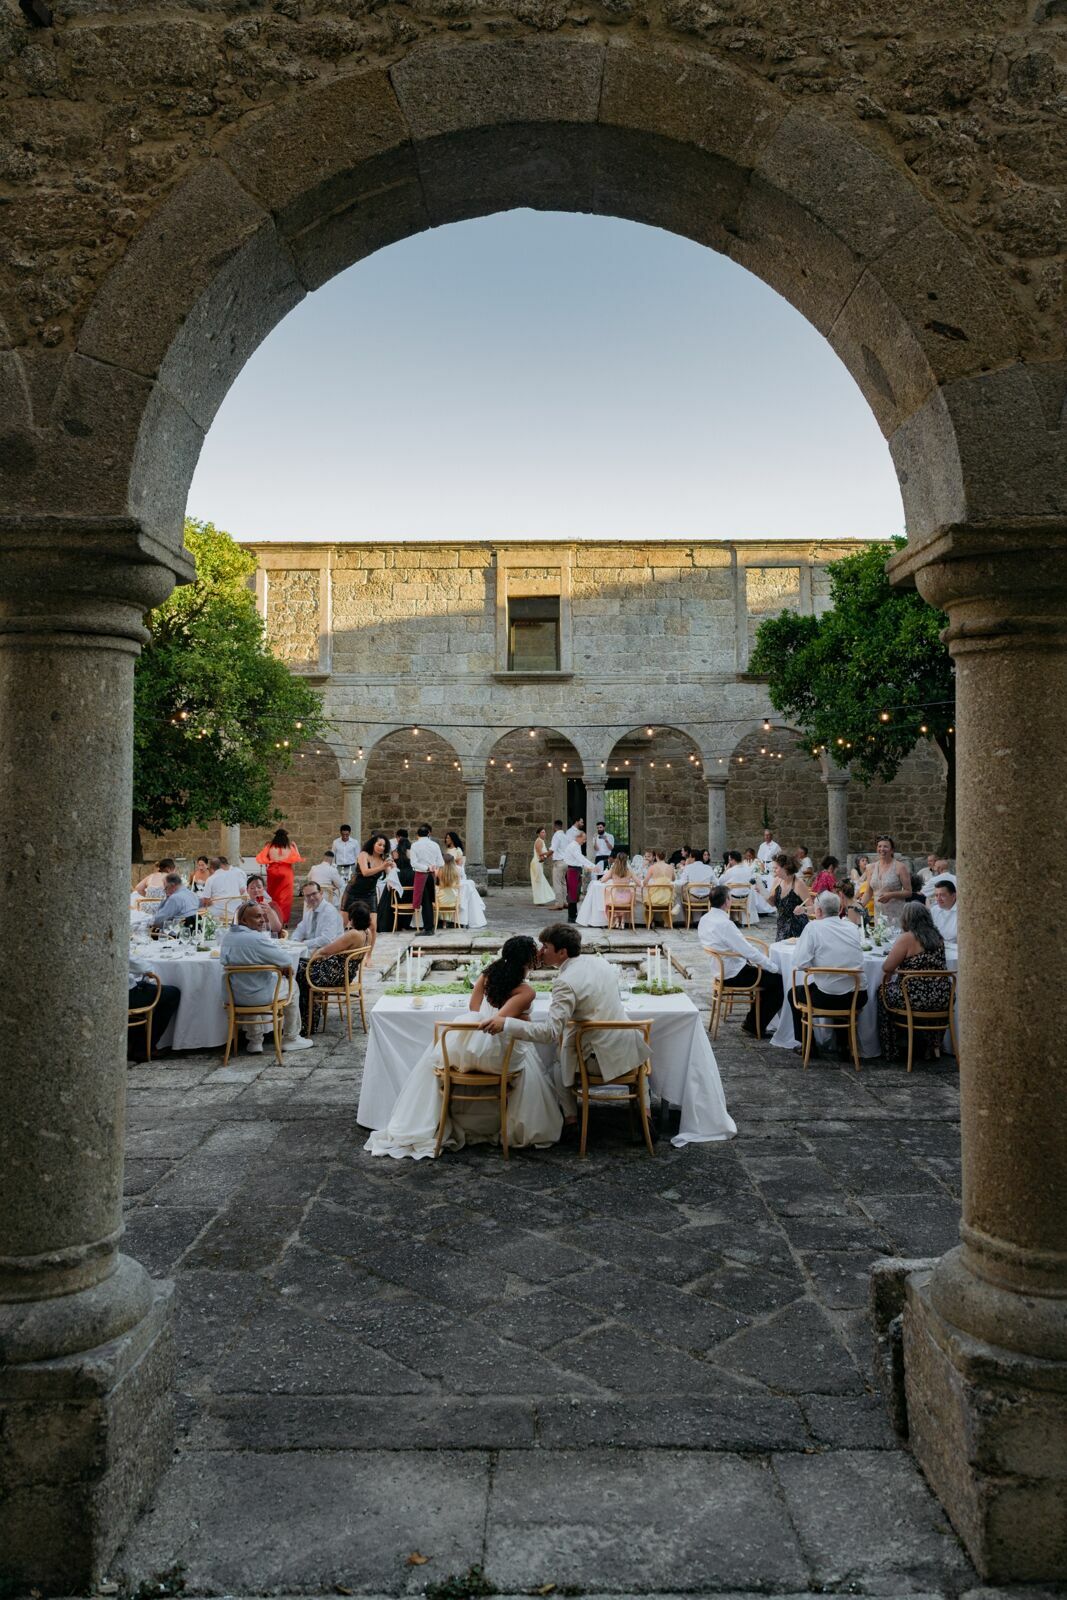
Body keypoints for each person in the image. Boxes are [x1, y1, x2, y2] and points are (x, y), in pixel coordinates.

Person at [367, 936, 563, 1158]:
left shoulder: (489, 973)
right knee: (528, 1061)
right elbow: (498, 1021)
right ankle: (511, 1124)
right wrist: (524, 1017)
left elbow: (474, 1007)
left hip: (466, 1051)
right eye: (534, 952)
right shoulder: (526, 991)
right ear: (526, 960)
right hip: (497, 1054)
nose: (539, 953)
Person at [480, 923, 650, 1125]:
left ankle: (571, 1120)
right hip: (631, 1049)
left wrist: (506, 1023)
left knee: (558, 1061)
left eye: (545, 947)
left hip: (599, 1059)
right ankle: (646, 1113)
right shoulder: (601, 964)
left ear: (562, 952)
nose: (540, 952)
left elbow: (549, 1032)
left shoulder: (566, 981)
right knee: (566, 1045)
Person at [220, 901, 313, 1055]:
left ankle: (255, 1041)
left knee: (251, 980)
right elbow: (286, 960)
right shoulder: (256, 939)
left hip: (234, 996)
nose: (263, 919)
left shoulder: (227, 937)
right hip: (258, 995)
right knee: (293, 985)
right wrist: (278, 967)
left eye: (262, 916)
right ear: (243, 921)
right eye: (257, 917)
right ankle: (291, 1038)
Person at [698, 885, 784, 1035]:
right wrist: (772, 966)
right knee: (777, 981)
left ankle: (754, 1021)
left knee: (766, 976)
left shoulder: (705, 919)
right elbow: (748, 951)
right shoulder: (725, 924)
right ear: (727, 901)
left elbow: (739, 946)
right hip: (733, 974)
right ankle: (753, 1025)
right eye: (730, 897)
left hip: (720, 970)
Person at [787, 890, 866, 1045]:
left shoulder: (814, 927)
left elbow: (800, 962)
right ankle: (843, 1046)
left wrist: (816, 963)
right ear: (840, 909)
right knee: (836, 985)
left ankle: (808, 1045)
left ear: (818, 911)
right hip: (857, 996)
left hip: (828, 997)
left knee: (793, 993)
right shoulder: (852, 927)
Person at [877, 900, 952, 1060]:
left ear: (906, 919)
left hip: (912, 998)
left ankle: (893, 1048)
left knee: (882, 991)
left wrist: (897, 969)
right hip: (942, 997)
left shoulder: (907, 938)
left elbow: (887, 967)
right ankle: (931, 1046)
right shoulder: (938, 937)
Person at [297, 903, 372, 1032]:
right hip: (345, 974)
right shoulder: (367, 932)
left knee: (299, 969)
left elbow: (327, 950)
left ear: (353, 918)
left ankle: (306, 1023)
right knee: (303, 965)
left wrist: (316, 954)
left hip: (335, 975)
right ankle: (309, 1021)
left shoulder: (353, 934)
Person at [342, 833, 391, 959]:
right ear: (373, 844)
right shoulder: (364, 855)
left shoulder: (383, 860)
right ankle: (344, 952)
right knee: (344, 924)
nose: (381, 847)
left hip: (369, 894)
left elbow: (390, 873)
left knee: (373, 926)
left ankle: (368, 956)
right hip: (353, 891)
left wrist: (392, 867)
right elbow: (365, 872)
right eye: (379, 844)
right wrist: (383, 866)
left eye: (384, 846)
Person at [127, 953, 180, 1060]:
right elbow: (140, 966)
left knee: (147, 986)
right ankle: (144, 1047)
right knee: (173, 994)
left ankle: (133, 1040)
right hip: (127, 995)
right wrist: (150, 968)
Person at [255, 828, 303, 927]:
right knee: (285, 898)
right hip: (286, 871)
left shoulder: (270, 846)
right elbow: (297, 858)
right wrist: (296, 847)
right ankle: (283, 921)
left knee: (273, 895)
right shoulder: (289, 847)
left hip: (273, 871)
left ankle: (273, 918)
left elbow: (263, 858)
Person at [868, 835, 912, 926]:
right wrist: (859, 905)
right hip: (878, 914)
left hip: (895, 914)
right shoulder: (871, 867)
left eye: (885, 846)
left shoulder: (900, 867)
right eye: (879, 846)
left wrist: (891, 895)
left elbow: (908, 892)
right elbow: (869, 892)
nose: (882, 849)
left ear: (892, 850)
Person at [409, 823, 444, 934]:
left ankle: (428, 928)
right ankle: (429, 927)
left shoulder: (415, 845)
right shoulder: (435, 845)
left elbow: (413, 863)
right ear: (428, 833)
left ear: (417, 835)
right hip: (432, 875)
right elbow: (441, 862)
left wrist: (426, 867)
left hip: (421, 875)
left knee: (426, 902)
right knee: (429, 901)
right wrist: (432, 867)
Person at [770, 852, 813, 941]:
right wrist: (762, 891)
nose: (774, 870)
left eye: (776, 868)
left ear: (785, 868)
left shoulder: (799, 884)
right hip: (781, 926)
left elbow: (812, 908)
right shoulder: (777, 881)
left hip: (797, 928)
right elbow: (772, 903)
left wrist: (803, 910)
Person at [292, 878, 344, 951]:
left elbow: (326, 939)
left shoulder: (329, 911)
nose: (311, 898)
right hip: (313, 951)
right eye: (307, 895)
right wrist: (294, 941)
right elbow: (300, 930)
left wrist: (303, 944)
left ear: (321, 893)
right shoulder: (310, 911)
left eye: (314, 893)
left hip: (328, 953)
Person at [381, 843, 416, 932]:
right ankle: (405, 925)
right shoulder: (413, 871)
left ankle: (393, 924)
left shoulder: (396, 872)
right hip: (411, 901)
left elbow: (389, 887)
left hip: (397, 901)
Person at [562, 828, 595, 922]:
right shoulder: (574, 846)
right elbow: (580, 858)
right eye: (584, 839)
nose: (584, 841)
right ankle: (571, 916)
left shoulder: (576, 845)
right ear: (578, 837)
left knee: (576, 893)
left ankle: (574, 915)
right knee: (572, 893)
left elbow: (579, 859)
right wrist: (592, 866)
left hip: (575, 870)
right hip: (572, 870)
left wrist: (588, 866)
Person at [925, 875, 958, 943]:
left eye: (942, 895)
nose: (938, 899)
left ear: (954, 896)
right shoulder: (934, 910)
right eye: (936, 895)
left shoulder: (961, 912)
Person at [530, 826, 555, 906]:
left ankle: (541, 900)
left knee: (540, 881)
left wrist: (547, 855)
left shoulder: (542, 841)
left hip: (539, 863)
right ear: (538, 834)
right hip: (536, 863)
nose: (544, 834)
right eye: (542, 832)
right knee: (538, 881)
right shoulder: (539, 841)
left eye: (544, 832)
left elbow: (542, 855)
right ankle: (539, 900)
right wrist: (549, 852)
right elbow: (539, 853)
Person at [548, 819, 568, 909]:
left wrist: (544, 857)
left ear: (555, 826)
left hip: (559, 862)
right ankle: (564, 902)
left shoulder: (556, 835)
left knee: (557, 883)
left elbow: (552, 849)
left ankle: (558, 904)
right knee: (563, 883)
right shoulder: (565, 836)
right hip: (566, 862)